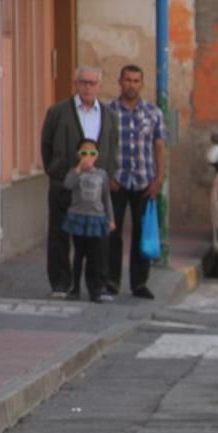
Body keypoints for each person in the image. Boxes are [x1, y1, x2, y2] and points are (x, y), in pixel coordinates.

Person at [41, 65, 118, 299]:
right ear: (75, 84)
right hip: (65, 183)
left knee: (96, 239)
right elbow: (46, 146)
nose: (87, 87)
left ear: (98, 86)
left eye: (92, 83)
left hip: (95, 191)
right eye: (83, 82)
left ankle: (97, 285)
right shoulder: (57, 112)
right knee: (59, 235)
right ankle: (61, 283)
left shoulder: (108, 116)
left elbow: (112, 149)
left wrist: (106, 177)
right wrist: (57, 172)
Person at [107, 64, 167, 300]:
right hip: (117, 181)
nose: (131, 85)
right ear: (120, 82)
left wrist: (158, 179)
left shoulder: (153, 113)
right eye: (127, 80)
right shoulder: (108, 111)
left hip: (144, 181)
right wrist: (108, 176)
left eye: (136, 81)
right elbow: (102, 146)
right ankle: (111, 281)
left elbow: (160, 147)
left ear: (142, 84)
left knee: (143, 233)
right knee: (113, 233)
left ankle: (139, 283)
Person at [62, 139, 115, 303]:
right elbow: (67, 185)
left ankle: (95, 289)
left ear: (97, 156)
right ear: (78, 154)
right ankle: (75, 287)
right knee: (79, 254)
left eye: (92, 153)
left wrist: (110, 219)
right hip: (79, 217)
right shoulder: (75, 172)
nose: (88, 157)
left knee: (94, 256)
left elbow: (106, 198)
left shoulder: (102, 174)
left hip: (96, 218)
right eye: (84, 153)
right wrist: (78, 169)